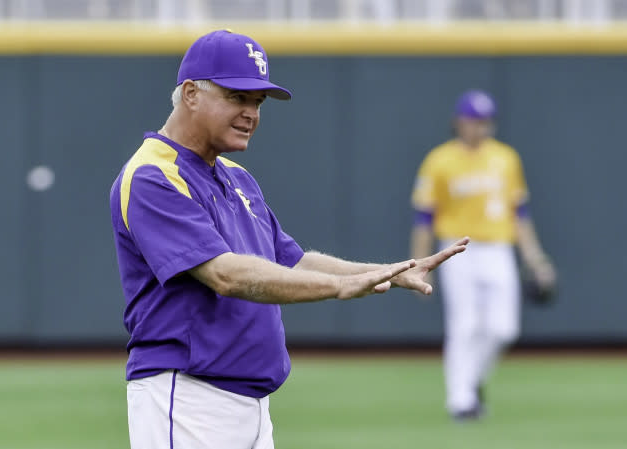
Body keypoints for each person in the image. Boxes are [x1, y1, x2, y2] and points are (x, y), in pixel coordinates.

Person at [110, 29, 469, 449]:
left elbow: (292, 261)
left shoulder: (236, 177)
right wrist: (337, 287)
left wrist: (383, 272)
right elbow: (225, 275)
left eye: (257, 102)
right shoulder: (153, 175)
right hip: (188, 400)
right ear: (190, 93)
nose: (251, 113)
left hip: (252, 406)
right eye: (236, 97)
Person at [410, 89, 556, 421]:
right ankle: (460, 401)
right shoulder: (440, 160)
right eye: (474, 121)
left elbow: (520, 214)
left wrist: (536, 259)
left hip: (498, 248)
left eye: (485, 121)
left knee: (504, 329)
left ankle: (472, 380)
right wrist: (419, 264)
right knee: (464, 325)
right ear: (459, 122)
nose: (480, 127)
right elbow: (424, 218)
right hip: (457, 249)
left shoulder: (505, 158)